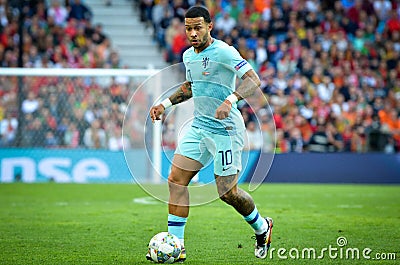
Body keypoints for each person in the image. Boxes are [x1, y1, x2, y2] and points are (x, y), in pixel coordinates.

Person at [148, 6, 273, 262]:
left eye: (198, 28)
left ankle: (262, 227)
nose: (193, 33)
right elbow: (191, 87)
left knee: (228, 193)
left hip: (225, 130)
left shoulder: (225, 52)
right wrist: (166, 104)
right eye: (188, 28)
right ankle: (177, 246)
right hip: (199, 126)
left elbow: (253, 79)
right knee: (176, 180)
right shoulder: (188, 56)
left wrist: (231, 99)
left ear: (209, 26)